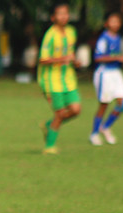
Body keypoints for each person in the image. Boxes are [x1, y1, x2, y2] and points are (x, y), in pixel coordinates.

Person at [38, 2, 80, 155]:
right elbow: (42, 59)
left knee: (76, 110)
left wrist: (75, 61)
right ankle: (49, 146)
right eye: (60, 14)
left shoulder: (71, 32)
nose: (64, 16)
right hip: (52, 81)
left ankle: (49, 125)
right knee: (60, 114)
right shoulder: (50, 36)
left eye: (66, 13)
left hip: (68, 79)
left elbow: (70, 54)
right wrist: (61, 59)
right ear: (53, 17)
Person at [89, 11, 123, 146]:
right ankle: (94, 133)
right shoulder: (104, 39)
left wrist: (122, 60)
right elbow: (98, 58)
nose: (115, 24)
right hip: (104, 73)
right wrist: (117, 58)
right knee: (104, 105)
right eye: (112, 21)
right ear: (106, 24)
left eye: (117, 21)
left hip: (116, 72)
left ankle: (105, 127)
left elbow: (115, 55)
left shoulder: (118, 38)